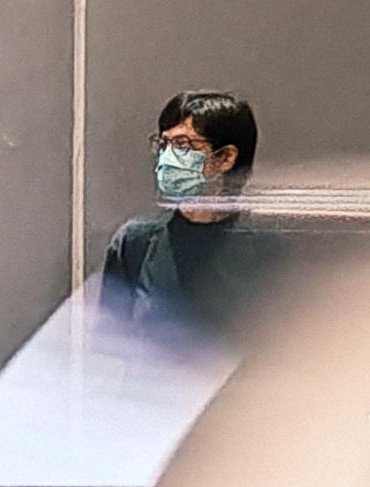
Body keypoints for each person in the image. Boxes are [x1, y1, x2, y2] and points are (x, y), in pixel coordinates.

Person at [100, 89, 266, 335]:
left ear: (225, 158)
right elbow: (108, 343)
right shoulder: (137, 242)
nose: (167, 157)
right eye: (163, 144)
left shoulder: (266, 250)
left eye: (182, 145)